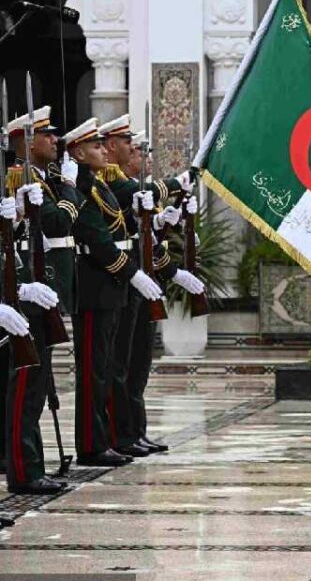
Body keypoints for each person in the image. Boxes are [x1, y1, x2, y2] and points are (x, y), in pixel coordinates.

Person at [66, 118, 165, 467]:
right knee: (95, 370)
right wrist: (134, 274)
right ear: (78, 152)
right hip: (96, 288)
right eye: (96, 146)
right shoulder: (79, 186)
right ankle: (92, 445)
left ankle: (107, 438)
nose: (104, 150)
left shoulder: (96, 184)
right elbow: (98, 240)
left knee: (109, 367)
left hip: (111, 287)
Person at [3, 106, 86, 494]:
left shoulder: (40, 179)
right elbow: (56, 223)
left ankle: (29, 464)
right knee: (25, 387)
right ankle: (24, 468)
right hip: (24, 295)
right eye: (47, 134)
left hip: (40, 290)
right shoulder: (20, 178)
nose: (56, 141)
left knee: (35, 388)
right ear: (24, 140)